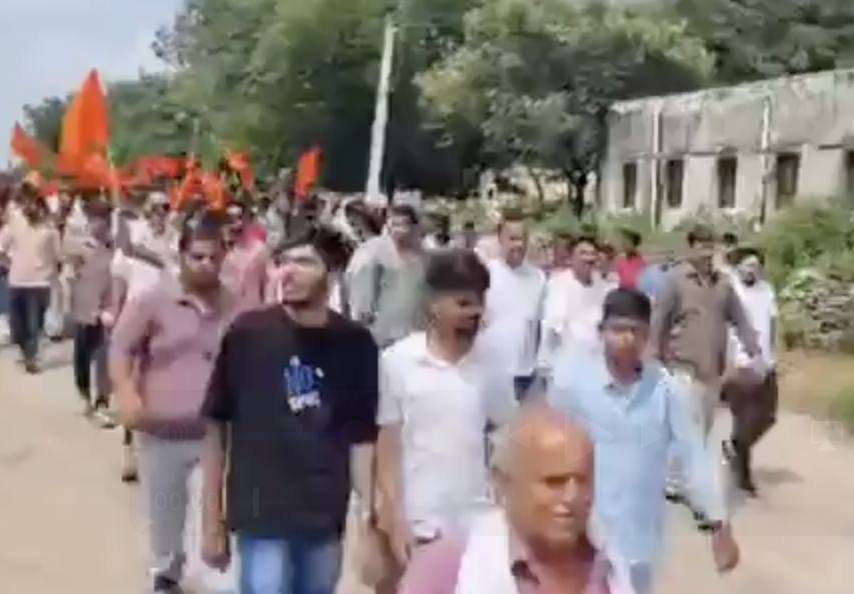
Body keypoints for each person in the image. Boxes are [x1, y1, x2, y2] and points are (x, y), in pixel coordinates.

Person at [200, 224, 380, 594]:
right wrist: (211, 521)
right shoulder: (248, 334)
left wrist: (368, 518)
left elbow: (362, 437)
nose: (288, 272)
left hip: (323, 514)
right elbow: (216, 426)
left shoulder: (356, 343)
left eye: (303, 262)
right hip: (261, 511)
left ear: (332, 274)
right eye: (282, 262)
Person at [549, 288, 738, 594]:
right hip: (580, 536)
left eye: (635, 331)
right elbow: (547, 453)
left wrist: (719, 522)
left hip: (639, 539)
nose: (627, 338)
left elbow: (693, 456)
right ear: (601, 331)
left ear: (648, 335)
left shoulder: (666, 390)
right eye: (618, 329)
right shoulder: (572, 385)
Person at [109, 211, 238, 594]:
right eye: (197, 256)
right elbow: (120, 348)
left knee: (212, 519)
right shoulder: (153, 301)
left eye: (214, 257)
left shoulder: (237, 305)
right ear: (181, 255)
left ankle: (207, 580)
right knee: (166, 521)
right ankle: (166, 578)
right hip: (162, 432)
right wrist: (128, 394)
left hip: (217, 436)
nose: (206, 264)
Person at [375, 249, 517, 583]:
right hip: (418, 526)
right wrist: (394, 518)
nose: (475, 312)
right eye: (463, 303)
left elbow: (506, 434)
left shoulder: (492, 363)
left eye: (479, 302)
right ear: (432, 304)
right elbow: (388, 447)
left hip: (476, 528)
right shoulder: (398, 361)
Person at [398, 402, 615, 594]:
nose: (572, 497)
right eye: (554, 482)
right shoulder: (446, 568)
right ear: (504, 483)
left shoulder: (611, 567)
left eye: (583, 481)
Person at [649, 224, 759, 508]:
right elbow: (659, 319)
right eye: (701, 245)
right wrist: (652, 354)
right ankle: (674, 483)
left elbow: (740, 317)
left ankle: (680, 477)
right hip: (682, 363)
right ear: (690, 247)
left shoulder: (723, 283)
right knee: (686, 425)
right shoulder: (675, 280)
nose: (707, 251)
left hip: (713, 368)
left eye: (712, 245)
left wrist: (753, 346)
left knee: (703, 428)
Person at [722, 247, 779, 496]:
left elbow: (773, 322)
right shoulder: (729, 290)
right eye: (746, 265)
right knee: (745, 420)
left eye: (755, 265)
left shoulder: (766, 290)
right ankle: (743, 477)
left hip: (765, 362)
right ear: (738, 267)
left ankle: (734, 446)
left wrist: (773, 354)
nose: (751, 269)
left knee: (768, 417)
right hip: (739, 364)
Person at [482, 213, 547, 400]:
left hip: (525, 372)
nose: (518, 245)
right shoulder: (485, 272)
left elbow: (541, 323)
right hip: (491, 370)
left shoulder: (538, 278)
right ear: (500, 240)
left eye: (522, 239)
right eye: (512, 239)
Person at [63, 200, 115, 426]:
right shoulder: (77, 246)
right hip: (84, 311)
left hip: (108, 313)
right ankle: (84, 394)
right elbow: (68, 277)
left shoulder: (115, 248)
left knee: (105, 360)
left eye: (103, 219)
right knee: (82, 358)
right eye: (95, 219)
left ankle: (102, 403)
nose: (99, 224)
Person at [0, 187, 61, 373]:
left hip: (40, 283)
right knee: (17, 327)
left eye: (33, 203)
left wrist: (53, 272)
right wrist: (9, 265)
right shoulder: (15, 223)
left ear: (41, 206)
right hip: (17, 281)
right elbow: (1, 247)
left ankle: (31, 358)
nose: (30, 207)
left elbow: (59, 255)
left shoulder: (50, 228)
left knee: (34, 324)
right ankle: (26, 350)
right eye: (26, 202)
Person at [348, 204, 427, 348]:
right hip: (382, 332)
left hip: (416, 333)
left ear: (415, 227)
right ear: (387, 226)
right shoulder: (373, 251)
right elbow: (362, 290)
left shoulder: (424, 255)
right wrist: (363, 318)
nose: (398, 230)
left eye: (403, 225)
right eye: (394, 224)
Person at [539, 234, 615, 375]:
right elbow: (555, 325)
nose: (588, 258)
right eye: (583, 253)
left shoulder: (603, 287)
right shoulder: (558, 285)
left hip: (595, 365)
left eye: (592, 254)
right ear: (571, 258)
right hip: (563, 365)